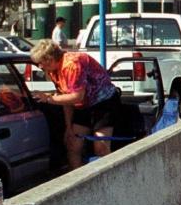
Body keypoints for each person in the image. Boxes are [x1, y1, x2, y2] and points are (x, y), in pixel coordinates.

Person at [29, 40, 120, 169]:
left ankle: (110, 177)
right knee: (72, 145)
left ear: (49, 59)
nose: (39, 67)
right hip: (82, 106)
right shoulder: (53, 71)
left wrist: (49, 99)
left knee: (101, 147)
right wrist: (68, 127)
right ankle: (77, 179)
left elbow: (77, 96)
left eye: (40, 63)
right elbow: (66, 99)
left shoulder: (71, 64)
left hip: (103, 103)